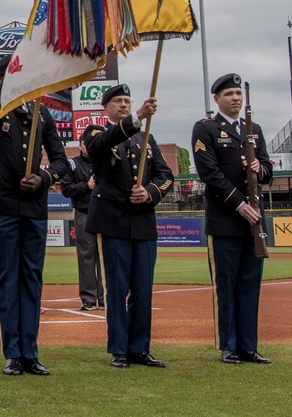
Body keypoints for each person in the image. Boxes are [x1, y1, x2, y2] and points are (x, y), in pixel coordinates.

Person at [0, 55, 69, 375]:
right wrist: (11, 81)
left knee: (31, 277)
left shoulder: (42, 115)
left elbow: (61, 162)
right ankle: (13, 352)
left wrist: (43, 178)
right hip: (2, 201)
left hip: (33, 204)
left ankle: (30, 351)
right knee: (8, 278)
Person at [85, 84, 173, 369]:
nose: (123, 105)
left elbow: (166, 175)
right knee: (117, 287)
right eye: (118, 101)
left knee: (143, 288)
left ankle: (140, 348)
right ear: (106, 107)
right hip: (113, 220)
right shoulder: (97, 132)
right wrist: (136, 117)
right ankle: (119, 348)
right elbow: (99, 147)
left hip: (142, 220)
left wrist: (149, 191)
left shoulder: (146, 139)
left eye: (127, 101)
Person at [192, 73, 274, 365]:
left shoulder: (255, 130)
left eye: (238, 93)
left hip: (253, 222)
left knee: (250, 285)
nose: (235, 98)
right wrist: (239, 204)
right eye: (229, 94)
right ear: (217, 99)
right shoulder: (206, 129)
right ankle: (228, 344)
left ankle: (248, 345)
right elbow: (210, 174)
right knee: (225, 285)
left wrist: (258, 168)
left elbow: (267, 172)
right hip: (226, 218)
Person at [61, 127, 105, 311]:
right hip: (84, 213)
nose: (89, 147)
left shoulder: (105, 162)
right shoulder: (73, 164)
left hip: (105, 215)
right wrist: (86, 186)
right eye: (86, 143)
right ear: (80, 145)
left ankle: (105, 297)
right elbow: (66, 189)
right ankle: (88, 298)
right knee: (86, 257)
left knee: (105, 257)